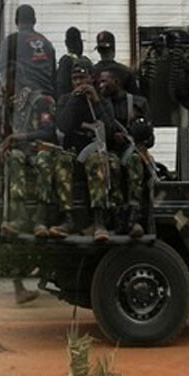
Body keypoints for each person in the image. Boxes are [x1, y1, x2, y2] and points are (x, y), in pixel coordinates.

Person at [0, 87, 74, 302]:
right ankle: (19, 217)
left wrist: (17, 137)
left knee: (42, 161)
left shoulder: (40, 102)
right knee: (13, 158)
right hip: (24, 170)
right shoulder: (14, 108)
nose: (7, 91)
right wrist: (5, 146)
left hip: (43, 158)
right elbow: (6, 136)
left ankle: (38, 218)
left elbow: (48, 132)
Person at [57, 62, 117, 243]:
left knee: (97, 161)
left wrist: (96, 102)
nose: (78, 82)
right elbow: (64, 126)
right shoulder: (65, 100)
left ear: (91, 78)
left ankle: (99, 220)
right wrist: (75, 100)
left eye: (82, 78)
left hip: (93, 150)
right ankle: (67, 219)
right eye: (75, 79)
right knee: (61, 162)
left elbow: (111, 131)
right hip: (73, 151)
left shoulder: (102, 100)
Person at [99, 70, 152, 237]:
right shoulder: (100, 105)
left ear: (116, 81)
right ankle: (118, 217)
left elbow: (150, 139)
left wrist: (135, 134)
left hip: (132, 149)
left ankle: (134, 218)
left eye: (104, 81)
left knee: (135, 161)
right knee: (111, 164)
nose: (101, 85)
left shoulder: (138, 103)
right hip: (109, 151)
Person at [0, 5, 58, 117]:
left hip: (24, 100)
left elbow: (0, 71)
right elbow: (54, 75)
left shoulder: (11, 41)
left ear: (16, 21)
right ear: (34, 21)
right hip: (48, 97)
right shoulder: (47, 44)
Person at [92, 30, 141, 95]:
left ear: (98, 51)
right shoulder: (126, 71)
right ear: (113, 49)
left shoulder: (92, 71)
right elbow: (136, 97)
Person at [56, 27, 90, 98]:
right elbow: (62, 88)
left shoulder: (85, 61)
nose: (79, 44)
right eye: (75, 41)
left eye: (79, 41)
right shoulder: (66, 61)